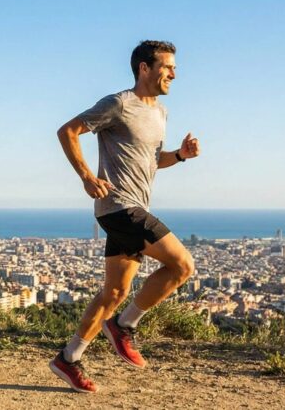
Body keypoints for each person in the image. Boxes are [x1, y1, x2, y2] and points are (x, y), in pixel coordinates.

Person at [49, 40, 199, 393]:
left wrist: (179, 155)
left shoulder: (160, 113)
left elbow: (151, 161)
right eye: (167, 66)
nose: (174, 74)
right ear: (144, 68)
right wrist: (87, 176)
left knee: (114, 291)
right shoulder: (118, 104)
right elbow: (67, 131)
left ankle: (68, 358)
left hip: (132, 208)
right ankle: (124, 326)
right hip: (119, 206)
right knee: (182, 265)